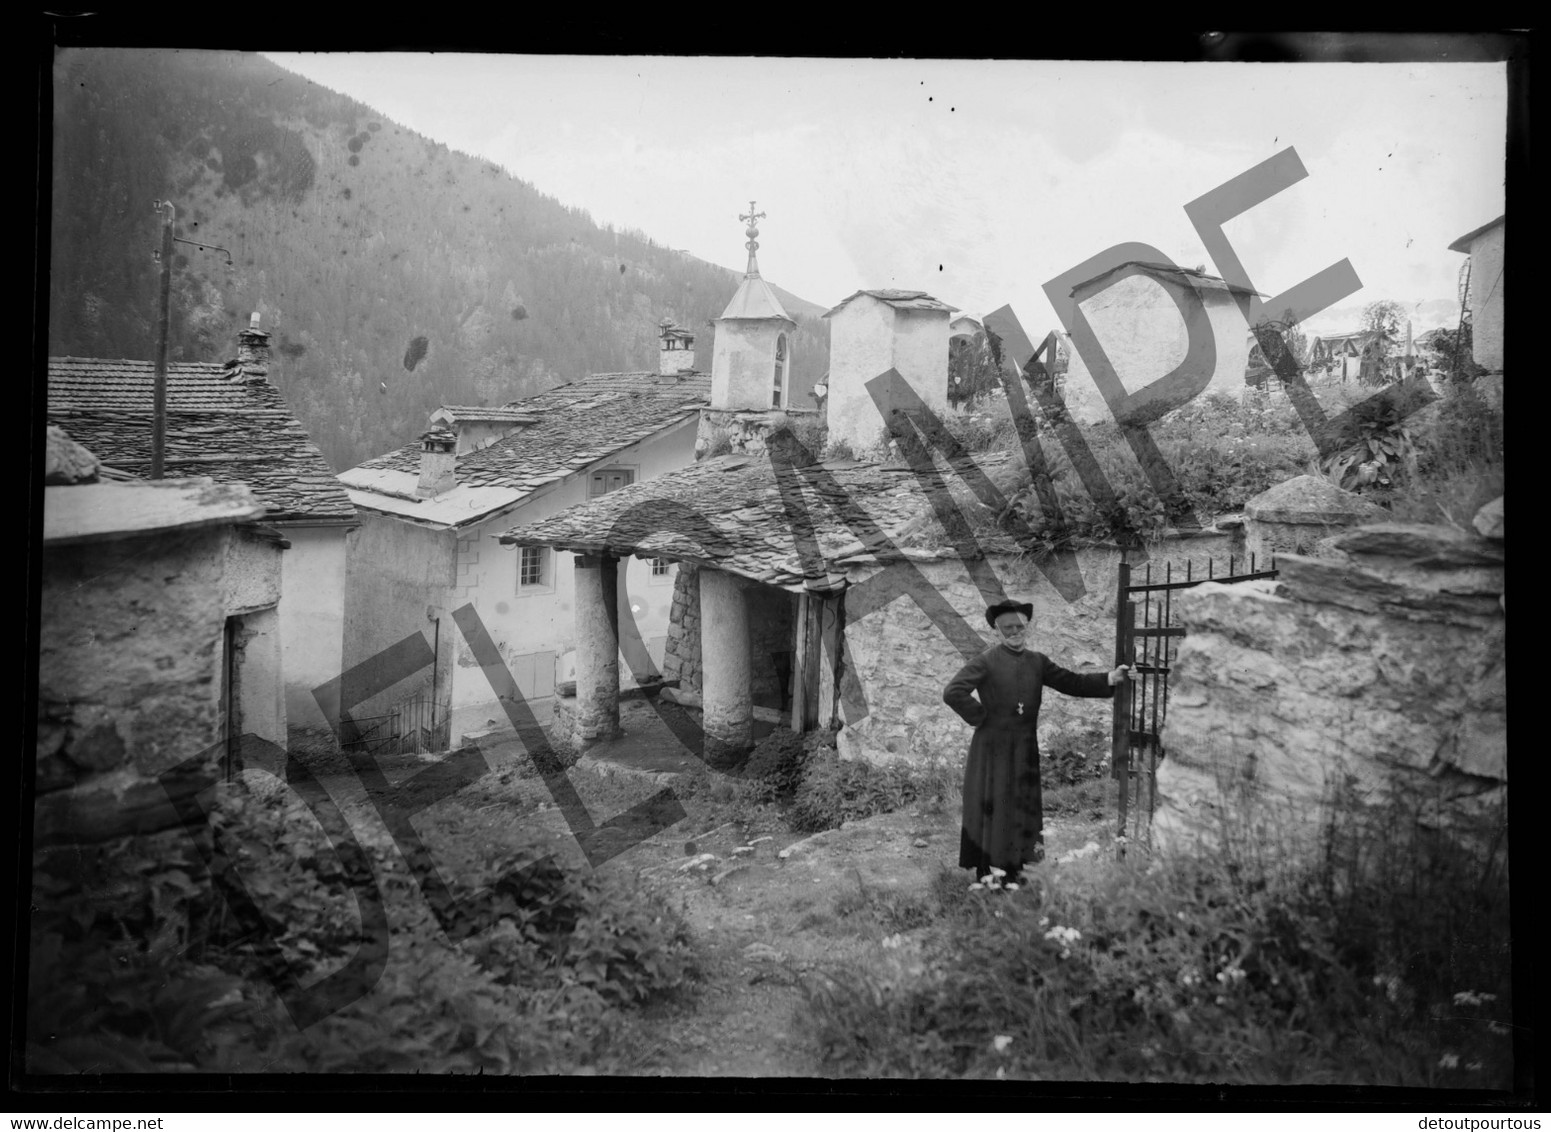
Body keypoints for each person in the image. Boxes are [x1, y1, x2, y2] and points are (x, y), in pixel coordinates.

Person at [942, 600, 1131, 886]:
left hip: (1025, 748)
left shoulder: (1037, 661)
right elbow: (953, 692)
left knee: (1022, 806)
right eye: (1009, 628)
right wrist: (982, 717)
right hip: (992, 749)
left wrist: (1110, 678)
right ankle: (989, 870)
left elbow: (1073, 682)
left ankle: (1019, 868)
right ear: (997, 630)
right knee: (995, 805)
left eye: (1020, 627)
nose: (1016, 633)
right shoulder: (986, 661)